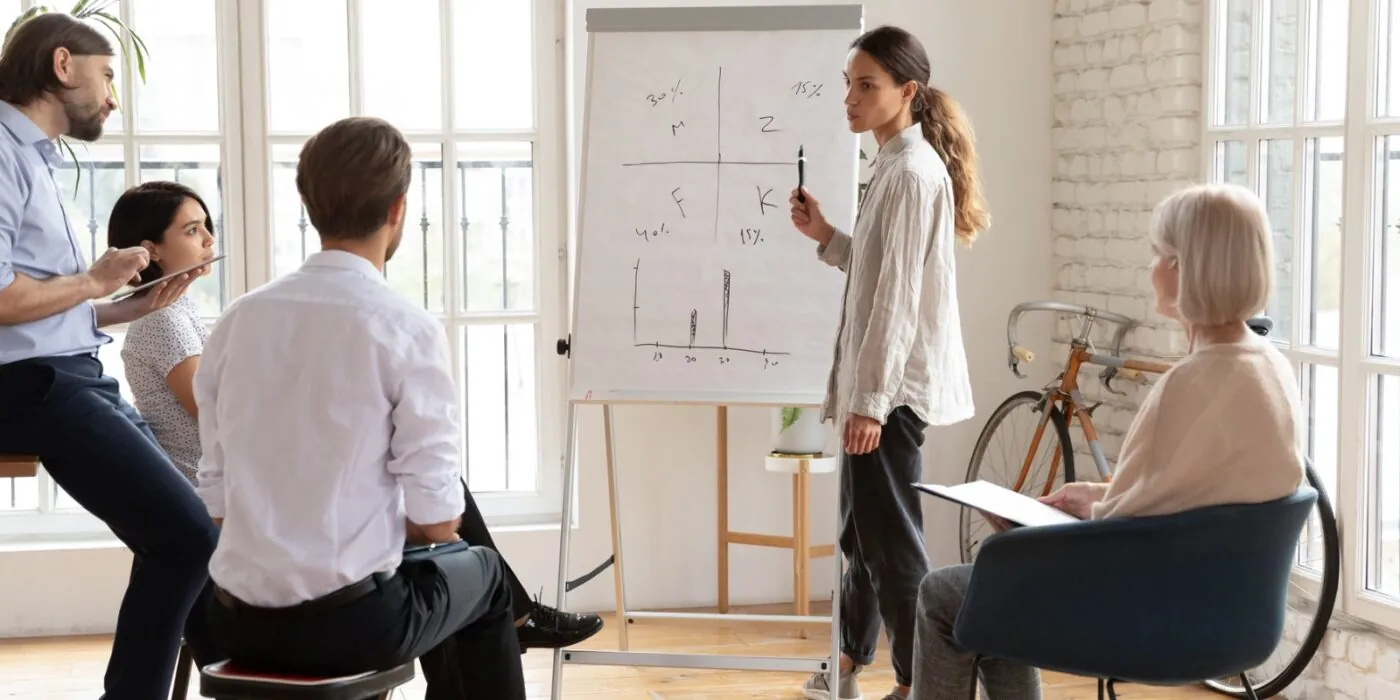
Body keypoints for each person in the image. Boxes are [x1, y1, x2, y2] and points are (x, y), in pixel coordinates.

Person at [108, 180, 605, 652]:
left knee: (421, 486)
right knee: (426, 505)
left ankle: (507, 616)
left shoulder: (191, 313)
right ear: (150, 250)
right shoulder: (163, 320)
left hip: (250, 484)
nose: (209, 239)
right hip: (236, 494)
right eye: (192, 230)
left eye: (206, 225)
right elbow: (219, 409)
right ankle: (508, 617)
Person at [907, 183, 1308, 700]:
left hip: (1151, 619)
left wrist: (1026, 533)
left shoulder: (1191, 383)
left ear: (1186, 268)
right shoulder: (1271, 367)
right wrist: (1098, 495)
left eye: (1160, 255)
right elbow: (1196, 496)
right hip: (1234, 618)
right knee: (1002, 587)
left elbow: (1125, 533)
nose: (1152, 268)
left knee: (948, 593)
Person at [195, 116, 533, 697]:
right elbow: (438, 522)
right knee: (485, 575)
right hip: (350, 626)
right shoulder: (404, 327)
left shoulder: (236, 322)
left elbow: (220, 507)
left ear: (309, 204)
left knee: (413, 583)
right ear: (398, 209)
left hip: (233, 622)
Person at [0, 14, 220, 700]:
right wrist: (95, 281)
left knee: (179, 534)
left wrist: (124, 307)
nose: (113, 97)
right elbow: (2, 300)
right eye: (107, 76)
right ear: (63, 65)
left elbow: (39, 308)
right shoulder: (2, 152)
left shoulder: (32, 156)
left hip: (68, 374)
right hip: (35, 387)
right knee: (184, 537)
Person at [787, 25, 986, 700]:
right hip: (881, 388)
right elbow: (878, 272)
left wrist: (870, 402)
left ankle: (917, 681)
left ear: (908, 91)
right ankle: (848, 656)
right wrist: (826, 237)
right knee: (859, 532)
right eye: (848, 82)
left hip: (890, 395)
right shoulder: (897, 165)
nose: (850, 96)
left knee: (891, 545)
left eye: (866, 85)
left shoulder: (909, 173)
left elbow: (896, 302)